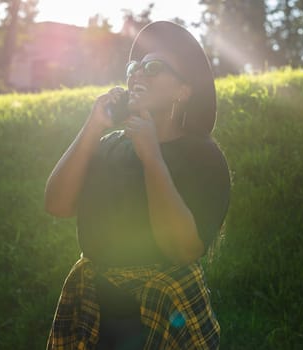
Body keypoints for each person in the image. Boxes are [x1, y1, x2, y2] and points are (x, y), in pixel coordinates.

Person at [45, 21, 230, 350]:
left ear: (182, 91)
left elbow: (182, 249)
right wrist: (93, 126)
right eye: (134, 67)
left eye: (154, 67)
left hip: (165, 312)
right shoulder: (108, 145)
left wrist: (152, 158)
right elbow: (57, 205)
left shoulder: (203, 156)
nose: (137, 74)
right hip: (97, 309)